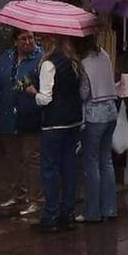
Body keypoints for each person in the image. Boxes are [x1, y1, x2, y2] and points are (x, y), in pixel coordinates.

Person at [31, 34, 84, 233]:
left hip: (54, 123)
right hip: (74, 120)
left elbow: (45, 98)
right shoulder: (75, 62)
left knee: (50, 169)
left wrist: (32, 92)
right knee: (69, 168)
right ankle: (68, 213)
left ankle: (51, 215)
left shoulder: (48, 64)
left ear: (50, 41)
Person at [0, 28, 44, 214]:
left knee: (33, 158)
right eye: (23, 38)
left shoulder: (41, 59)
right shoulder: (7, 56)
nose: (28, 41)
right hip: (8, 114)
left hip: (30, 114)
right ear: (15, 41)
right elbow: (0, 80)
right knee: (13, 158)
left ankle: (36, 198)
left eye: (31, 37)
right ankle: (17, 194)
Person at [79, 31, 120, 223]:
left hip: (93, 115)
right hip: (111, 112)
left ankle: (93, 211)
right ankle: (109, 208)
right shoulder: (104, 54)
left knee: (92, 163)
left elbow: (84, 92)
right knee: (107, 161)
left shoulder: (83, 62)